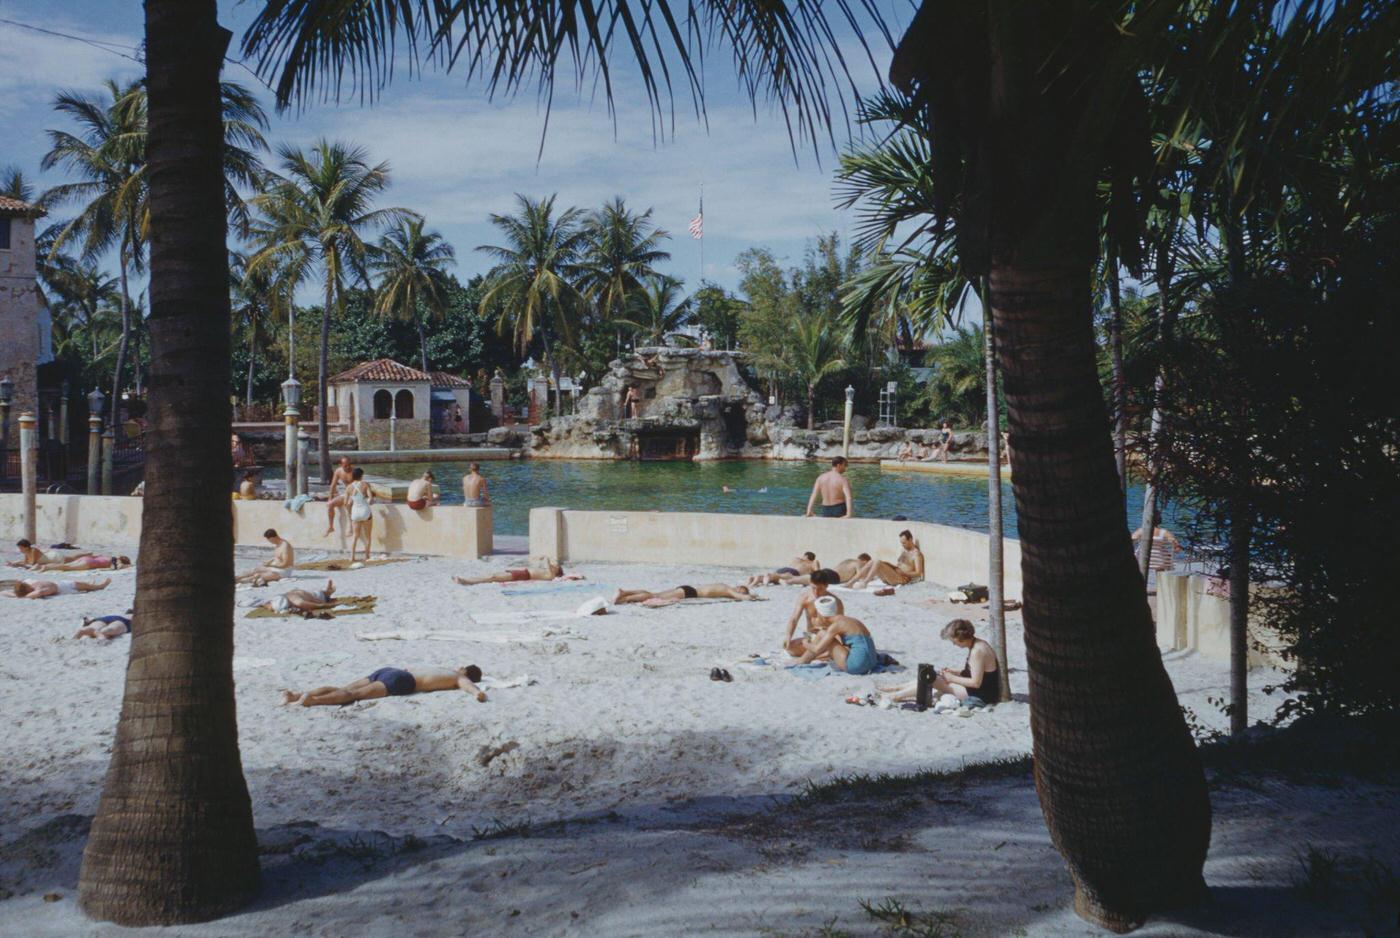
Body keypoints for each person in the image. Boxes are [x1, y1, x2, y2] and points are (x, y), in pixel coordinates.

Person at [879, 618, 1001, 703]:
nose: (953, 644)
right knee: (932, 674)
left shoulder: (977, 651)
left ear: (960, 638)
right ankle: (897, 688)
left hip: (981, 694)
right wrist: (954, 672)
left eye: (953, 641)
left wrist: (952, 678)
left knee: (931, 677)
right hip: (980, 690)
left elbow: (976, 683)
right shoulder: (978, 644)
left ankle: (896, 696)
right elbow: (976, 671)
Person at [281, 665, 486, 707]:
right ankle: (312, 700)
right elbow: (468, 686)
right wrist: (477, 693)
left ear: (462, 666)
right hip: (403, 681)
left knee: (344, 688)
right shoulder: (457, 678)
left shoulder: (443, 667)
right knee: (353, 695)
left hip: (391, 670)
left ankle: (296, 695)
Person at [792, 598, 879, 675]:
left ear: (821, 615)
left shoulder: (835, 626)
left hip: (857, 666)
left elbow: (817, 649)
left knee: (822, 633)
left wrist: (805, 643)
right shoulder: (851, 620)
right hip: (872, 662)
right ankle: (804, 659)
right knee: (825, 635)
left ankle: (803, 660)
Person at [783, 568, 845, 657]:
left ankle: (820, 653)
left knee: (829, 647)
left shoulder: (835, 601)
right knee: (790, 648)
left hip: (826, 636)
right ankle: (821, 654)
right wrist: (788, 636)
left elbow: (840, 625)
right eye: (813, 588)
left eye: (820, 588)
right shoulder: (805, 598)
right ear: (810, 584)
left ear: (826, 586)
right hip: (810, 635)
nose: (816, 592)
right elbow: (794, 619)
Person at [849, 530, 925, 589]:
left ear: (910, 539)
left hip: (901, 579)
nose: (902, 545)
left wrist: (904, 573)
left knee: (878, 562)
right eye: (901, 543)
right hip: (894, 574)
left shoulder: (916, 555)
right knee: (873, 561)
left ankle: (865, 583)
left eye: (904, 543)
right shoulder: (904, 550)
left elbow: (918, 573)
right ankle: (851, 582)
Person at [612, 583, 759, 605]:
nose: (740, 591)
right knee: (655, 597)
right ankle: (626, 599)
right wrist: (755, 597)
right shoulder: (728, 590)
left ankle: (625, 593)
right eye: (742, 589)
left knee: (654, 594)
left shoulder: (723, 586)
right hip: (690, 593)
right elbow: (743, 597)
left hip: (687, 588)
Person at [255, 579, 338, 616]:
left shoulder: (297, 601)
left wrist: (328, 604)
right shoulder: (277, 600)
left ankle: (328, 593)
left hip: (312, 595)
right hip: (303, 593)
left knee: (320, 595)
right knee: (316, 594)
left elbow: (318, 604)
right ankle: (327, 592)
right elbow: (267, 604)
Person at [453, 559, 565, 586]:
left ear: (557, 571)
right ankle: (468, 580)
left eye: (556, 566)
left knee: (492, 577)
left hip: (522, 575)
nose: (554, 565)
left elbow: (547, 562)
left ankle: (466, 581)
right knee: (492, 576)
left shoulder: (550, 575)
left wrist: (548, 560)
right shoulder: (548, 572)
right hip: (520, 572)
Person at [745, 551, 820, 587]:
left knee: (775, 576)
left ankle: (755, 580)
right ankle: (765, 580)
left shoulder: (796, 559)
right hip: (793, 572)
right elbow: (818, 572)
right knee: (779, 576)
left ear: (805, 556)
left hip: (784, 569)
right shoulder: (811, 563)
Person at [347, 468, 375, 563]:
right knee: (368, 536)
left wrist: (350, 513)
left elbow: (347, 503)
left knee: (355, 536)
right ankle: (367, 556)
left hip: (355, 512)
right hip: (365, 511)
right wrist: (370, 500)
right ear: (361, 475)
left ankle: (352, 557)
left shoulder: (349, 487)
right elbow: (371, 499)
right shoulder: (365, 484)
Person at [324, 456, 356, 537]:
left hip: (355, 494)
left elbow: (360, 485)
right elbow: (333, 485)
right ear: (340, 465)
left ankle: (351, 527)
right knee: (330, 504)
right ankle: (331, 527)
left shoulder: (355, 471)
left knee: (348, 504)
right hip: (345, 493)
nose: (348, 467)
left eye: (349, 465)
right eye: (345, 465)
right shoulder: (338, 471)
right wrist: (330, 498)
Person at [5, 578, 112, 599]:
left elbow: (9, 593)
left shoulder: (30, 584)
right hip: (63, 588)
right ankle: (99, 586)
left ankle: (92, 586)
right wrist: (21, 596)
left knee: (84, 586)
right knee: (81, 586)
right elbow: (34, 595)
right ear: (27, 589)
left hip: (60, 584)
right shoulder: (37, 591)